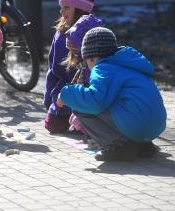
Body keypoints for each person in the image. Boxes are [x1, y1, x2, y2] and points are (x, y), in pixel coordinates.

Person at [57, 27, 167, 161]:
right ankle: (143, 145)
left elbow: (94, 102)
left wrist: (66, 94)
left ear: (90, 58)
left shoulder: (103, 68)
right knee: (120, 102)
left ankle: (117, 147)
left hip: (136, 125)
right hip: (156, 126)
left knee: (81, 105)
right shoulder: (130, 64)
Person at [44, 0, 95, 134]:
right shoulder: (60, 34)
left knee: (85, 127)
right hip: (63, 95)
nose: (61, 12)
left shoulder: (93, 32)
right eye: (61, 7)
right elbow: (52, 70)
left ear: (81, 10)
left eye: (66, 7)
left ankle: (85, 120)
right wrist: (49, 99)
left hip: (87, 94)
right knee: (54, 127)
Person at [63, 14, 102, 134]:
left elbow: (94, 95)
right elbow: (76, 82)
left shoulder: (96, 69)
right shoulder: (85, 64)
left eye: (75, 51)